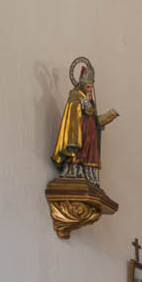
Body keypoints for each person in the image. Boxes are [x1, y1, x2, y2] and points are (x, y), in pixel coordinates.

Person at [52, 58, 119, 186]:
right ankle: (75, 170)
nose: (90, 90)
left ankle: (88, 174)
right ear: (82, 85)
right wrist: (87, 102)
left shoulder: (88, 99)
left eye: (91, 87)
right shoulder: (76, 95)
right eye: (88, 87)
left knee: (89, 154)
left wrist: (108, 117)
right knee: (79, 153)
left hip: (91, 134)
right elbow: (80, 112)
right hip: (79, 132)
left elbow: (93, 117)